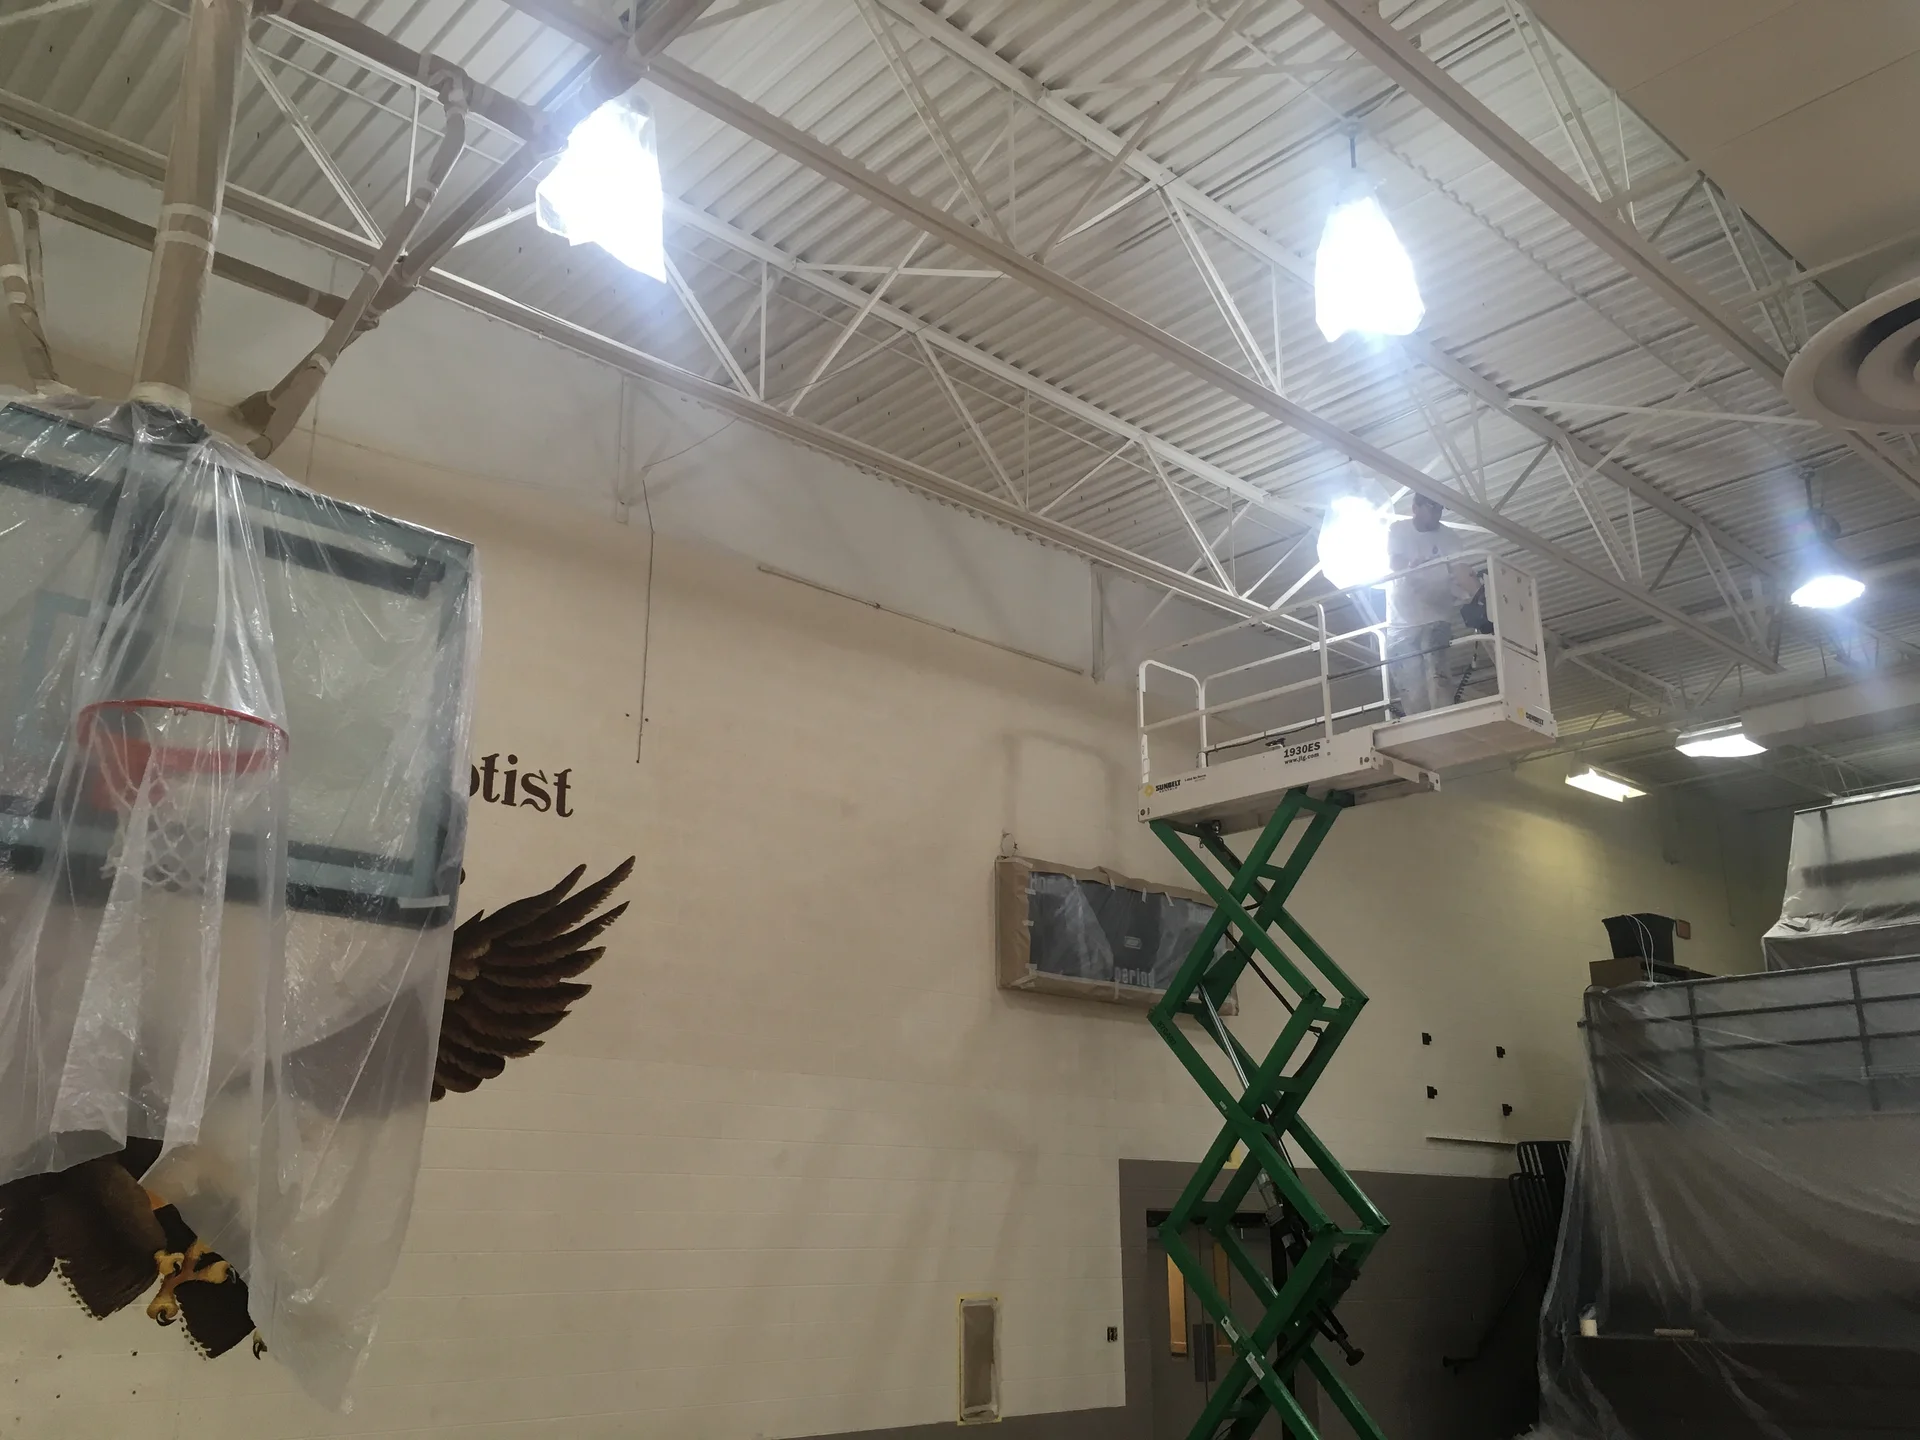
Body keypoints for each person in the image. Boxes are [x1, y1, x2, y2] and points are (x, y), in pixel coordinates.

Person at [1384, 494, 1473, 716]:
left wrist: (1480, 595)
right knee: (1409, 681)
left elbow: (1460, 570)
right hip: (1402, 619)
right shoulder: (1399, 530)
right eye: (1431, 508)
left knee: (1437, 672)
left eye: (1440, 509)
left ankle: (1443, 718)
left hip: (1436, 614)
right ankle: (1418, 723)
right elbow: (1394, 561)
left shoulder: (1449, 538)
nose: (1436, 514)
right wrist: (1410, 564)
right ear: (1415, 507)